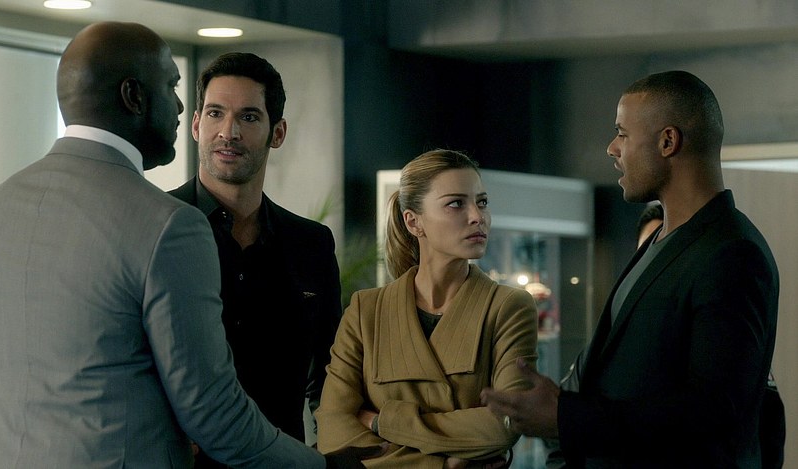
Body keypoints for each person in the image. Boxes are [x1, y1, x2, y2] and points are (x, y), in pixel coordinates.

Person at [0, 22, 375, 468]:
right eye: (173, 87)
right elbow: (213, 411)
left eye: (249, 117)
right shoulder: (165, 225)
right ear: (135, 97)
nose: (180, 107)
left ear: (277, 132)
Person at [481, 70, 780, 467]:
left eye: (622, 133)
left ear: (668, 141)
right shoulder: (659, 242)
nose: (611, 148)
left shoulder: (732, 252)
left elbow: (715, 409)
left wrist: (566, 417)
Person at [168, 51, 342, 464]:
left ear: (277, 133)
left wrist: (327, 452)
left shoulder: (311, 243)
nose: (228, 132)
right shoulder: (156, 225)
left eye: (248, 117)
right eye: (215, 113)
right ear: (196, 125)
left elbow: (331, 373)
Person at [315, 149, 539, 467]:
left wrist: (381, 421)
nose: (477, 216)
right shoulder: (366, 311)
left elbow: (507, 421)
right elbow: (334, 429)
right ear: (413, 221)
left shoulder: (508, 307)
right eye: (456, 203)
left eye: (482, 202)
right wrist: (442, 465)